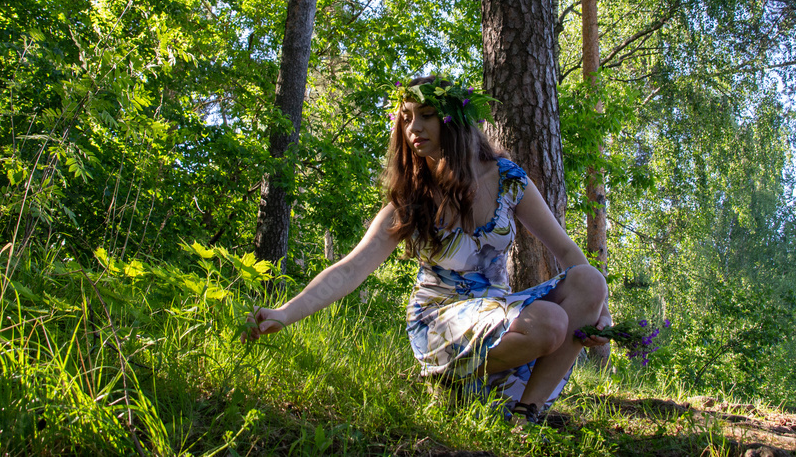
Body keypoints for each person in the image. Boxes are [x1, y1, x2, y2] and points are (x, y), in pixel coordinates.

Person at [245, 76, 611, 424]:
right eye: (406, 118)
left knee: (590, 282)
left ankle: (525, 414)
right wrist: (285, 313)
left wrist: (600, 314)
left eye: (426, 116)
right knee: (549, 323)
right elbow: (351, 268)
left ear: (456, 119)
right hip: (440, 323)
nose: (413, 128)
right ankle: (444, 377)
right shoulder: (412, 199)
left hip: (500, 321)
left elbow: (564, 249)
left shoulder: (508, 179)